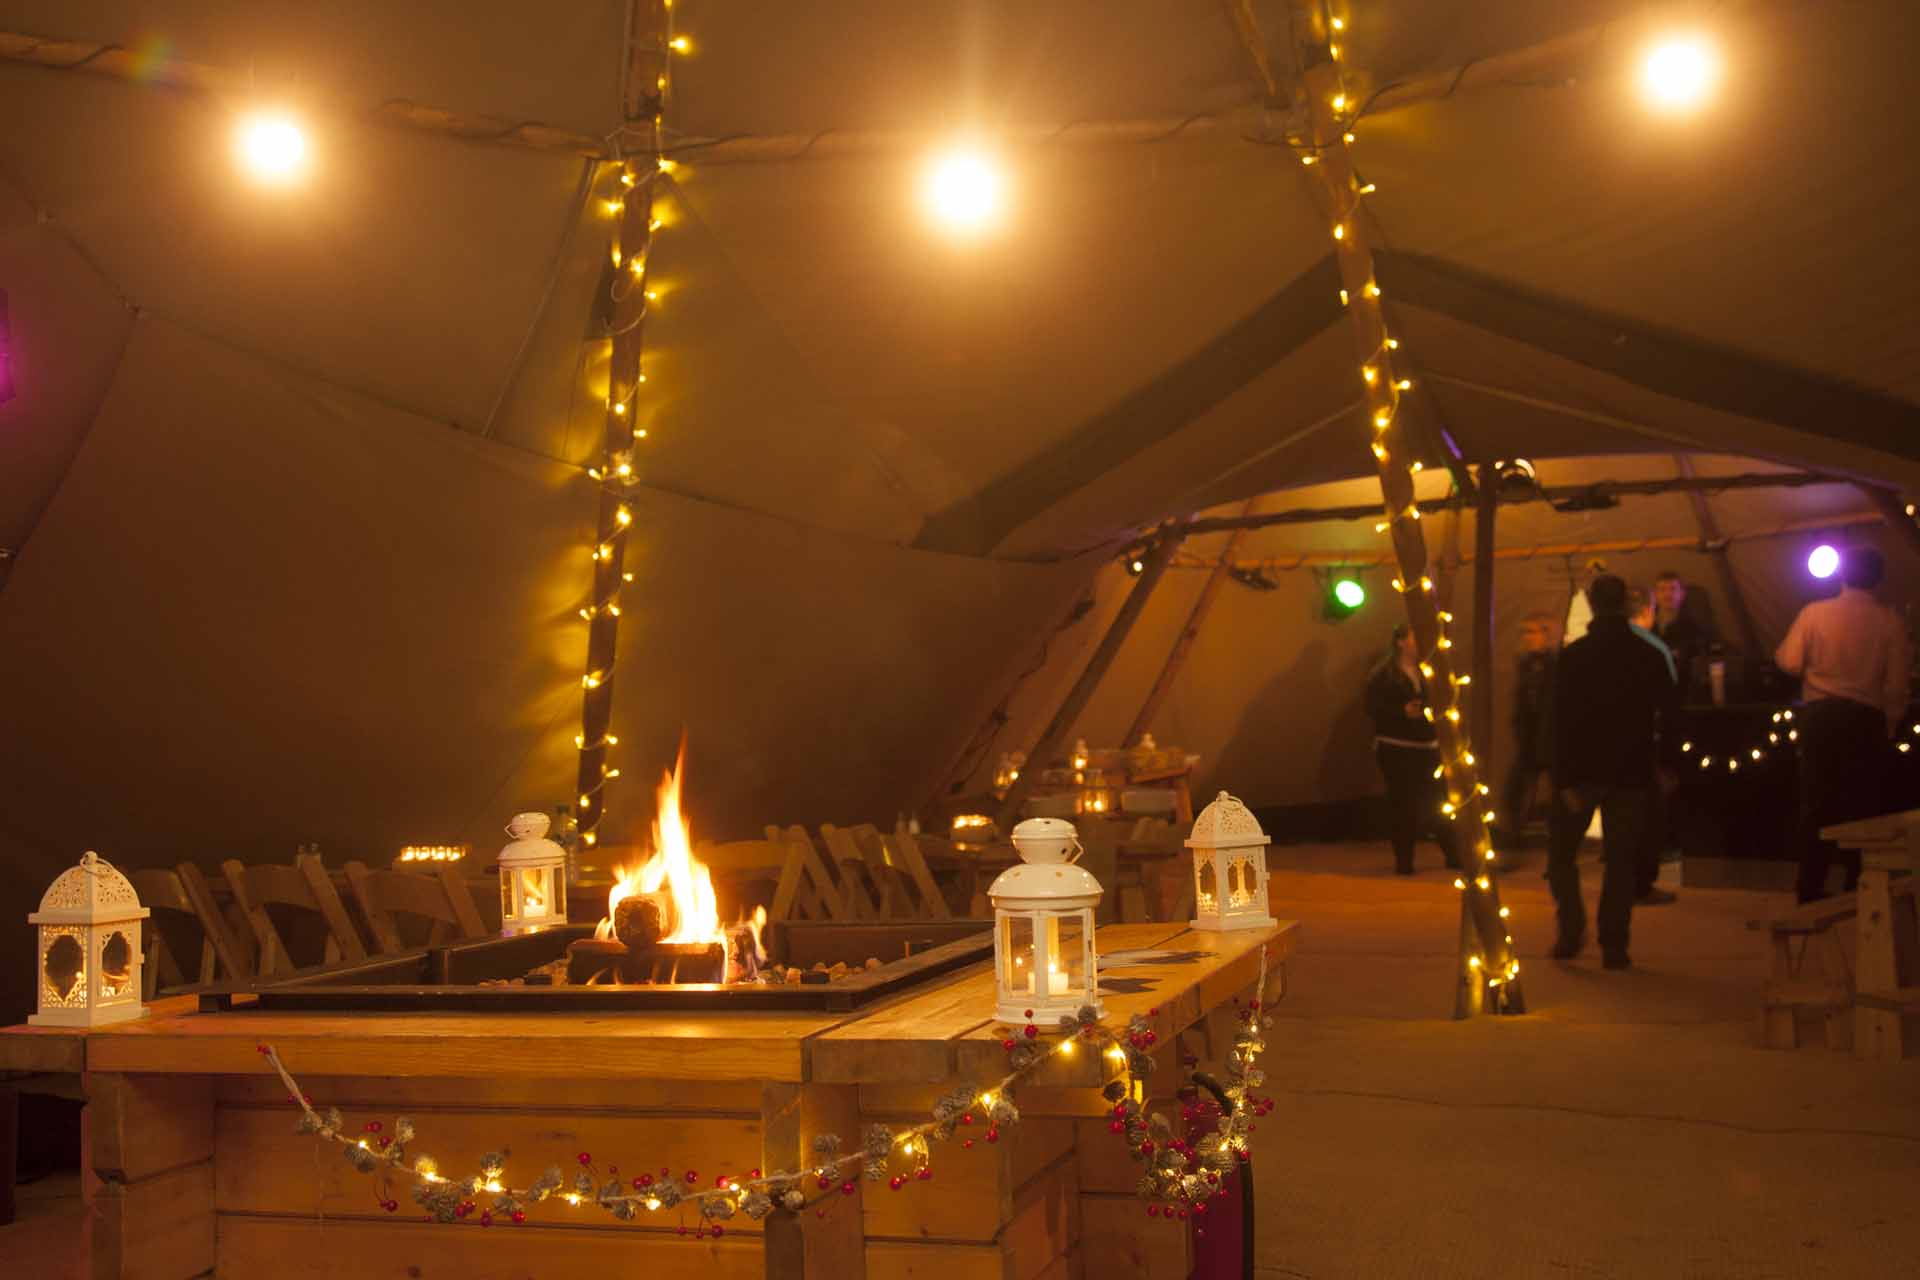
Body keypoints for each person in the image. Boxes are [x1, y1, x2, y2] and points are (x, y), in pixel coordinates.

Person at [1550, 575, 1683, 968]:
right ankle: (1614, 945)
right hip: (1631, 770)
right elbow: (1671, 714)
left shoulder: (1574, 657)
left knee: (1561, 858)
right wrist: (1666, 764)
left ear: (1591, 603)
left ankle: (1571, 932)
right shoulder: (1648, 655)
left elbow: (1558, 722)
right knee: (1622, 861)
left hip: (1582, 770)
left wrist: (1561, 777)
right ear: (1626, 604)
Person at [1774, 547, 1911, 903]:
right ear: (1878, 579)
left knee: (1817, 804)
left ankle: (1809, 886)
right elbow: (1898, 685)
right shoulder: (1890, 621)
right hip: (1865, 719)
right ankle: (1858, 885)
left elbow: (1788, 661)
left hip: (1821, 717)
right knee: (1863, 805)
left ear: (1841, 575)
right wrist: (1890, 724)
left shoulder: (1814, 614)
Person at [1367, 623, 1463, 876]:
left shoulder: (1426, 672)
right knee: (1403, 804)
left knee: (1439, 802)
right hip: (1396, 746)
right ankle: (1404, 861)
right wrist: (1401, 712)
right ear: (1401, 642)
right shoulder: (1383, 675)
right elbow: (1372, 708)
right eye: (1414, 637)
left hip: (1427, 745)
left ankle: (1453, 854)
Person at [1627, 587, 1680, 905]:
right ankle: (1641, 883)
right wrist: (1669, 759)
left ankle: (1622, 879)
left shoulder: (1601, 647)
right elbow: (1669, 703)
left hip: (1611, 745)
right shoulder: (1655, 648)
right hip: (1646, 742)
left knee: (1622, 817)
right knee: (1649, 815)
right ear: (1648, 611)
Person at [1501, 612, 1559, 845]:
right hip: (1529, 737)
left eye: (1532, 632)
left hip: (1552, 737)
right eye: (1525, 632)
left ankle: (1560, 838)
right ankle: (1512, 835)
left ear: (1546, 634)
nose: (1528, 637)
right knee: (1515, 789)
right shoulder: (1525, 664)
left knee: (1559, 791)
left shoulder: (1557, 664)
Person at [1652, 571, 1713, 691]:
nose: (1667, 594)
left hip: (1680, 687)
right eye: (1662, 589)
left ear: (1682, 594)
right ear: (1655, 595)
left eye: (1673, 589)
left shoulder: (1692, 628)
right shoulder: (1645, 625)